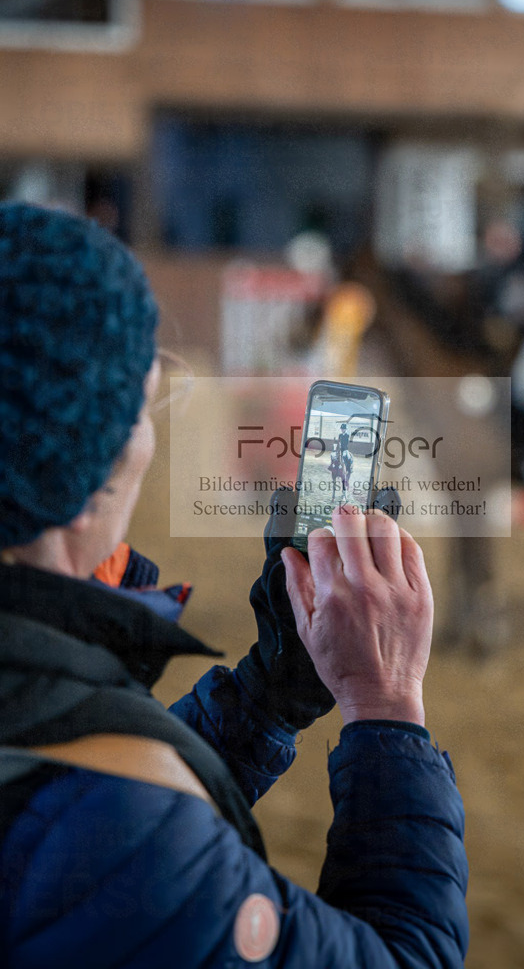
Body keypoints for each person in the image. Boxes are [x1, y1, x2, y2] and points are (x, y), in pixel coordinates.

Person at [0, 203, 468, 968]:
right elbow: (404, 955)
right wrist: (385, 708)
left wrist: (266, 698)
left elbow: (86, 758)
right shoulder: (125, 840)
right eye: (147, 403)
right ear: (89, 472)